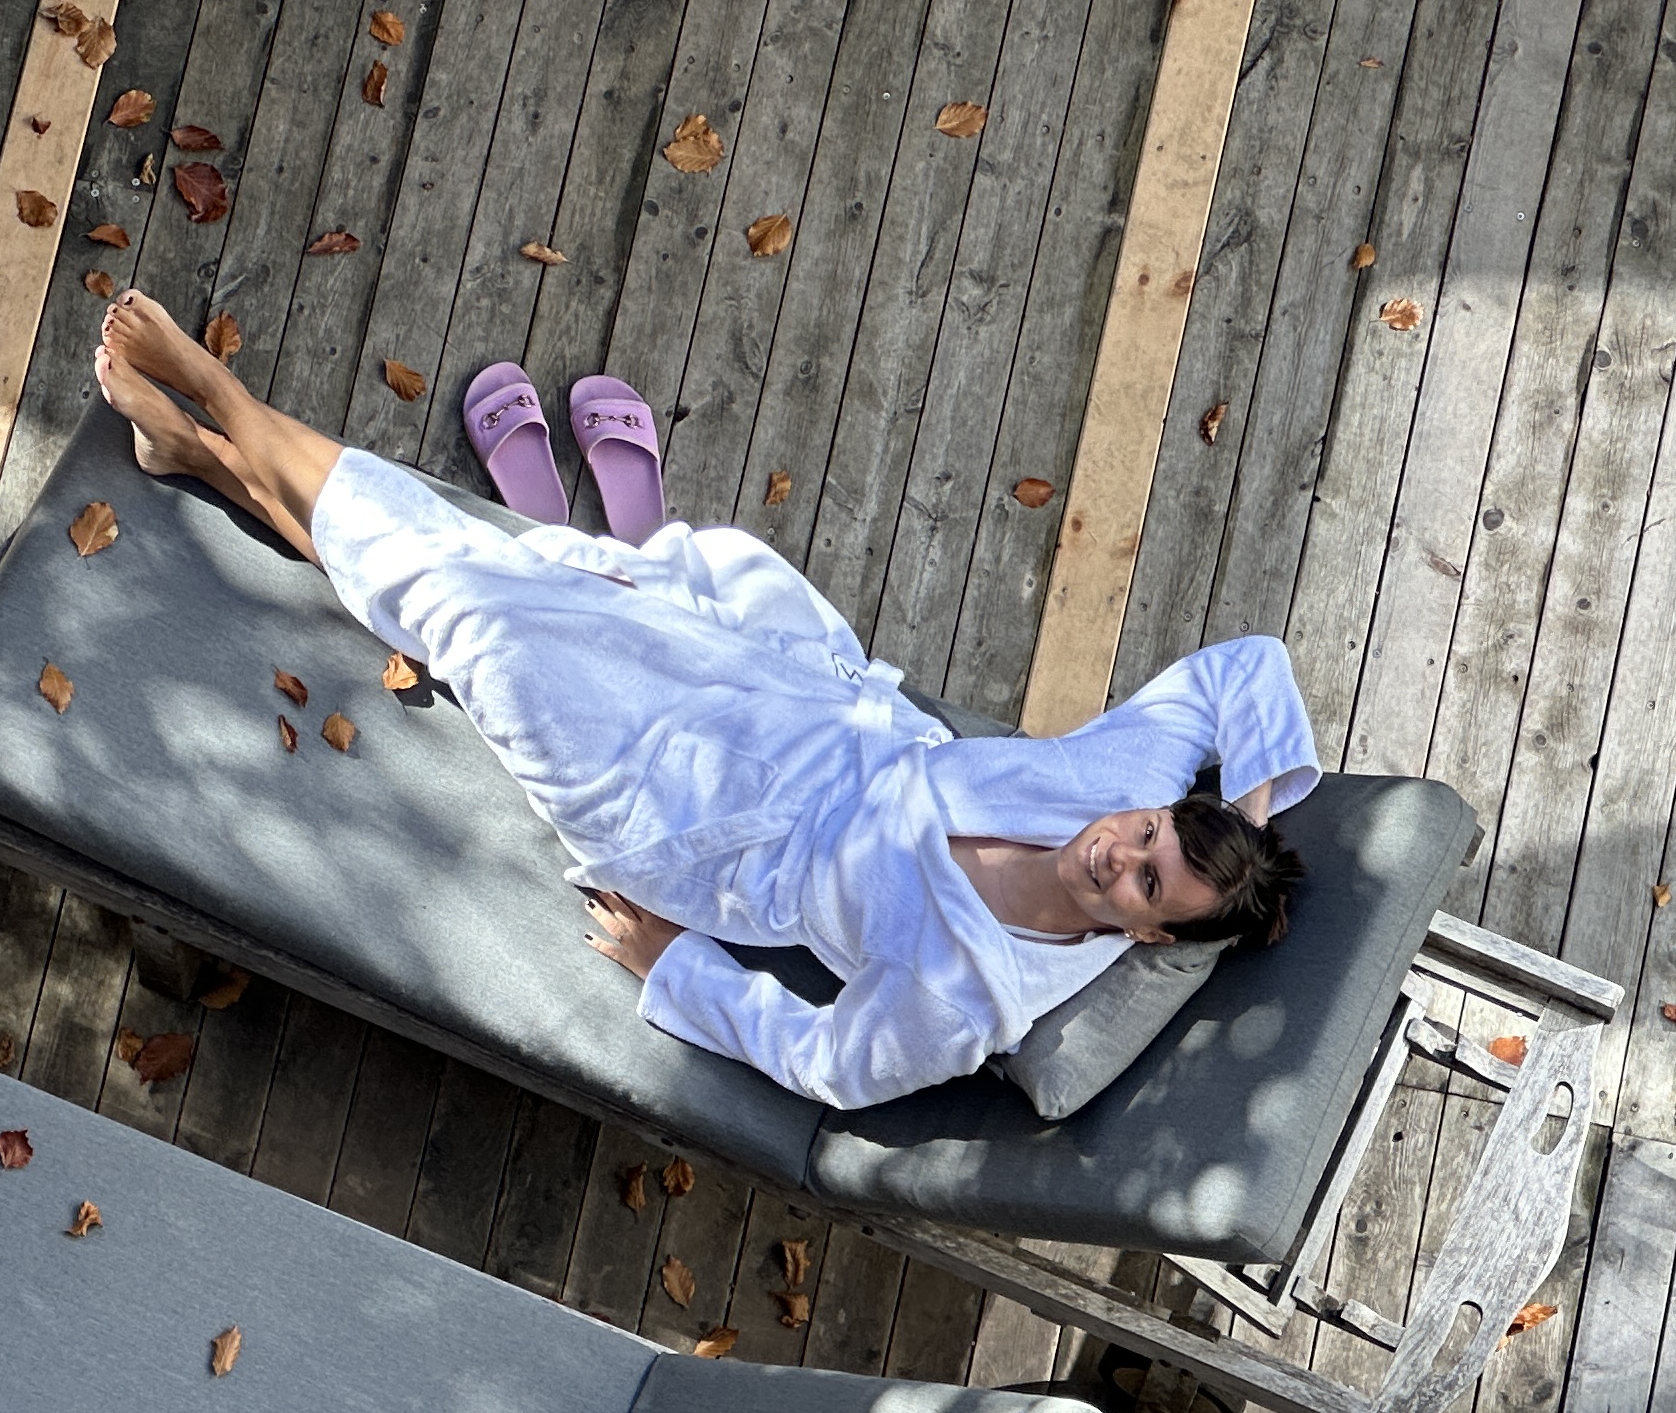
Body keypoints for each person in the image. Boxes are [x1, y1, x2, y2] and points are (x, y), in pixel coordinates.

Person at [88, 292, 1312, 1114]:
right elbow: (1245, 668)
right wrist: (1245, 820)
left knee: (487, 612)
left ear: (1148, 937)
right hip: (789, 701)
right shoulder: (1120, 790)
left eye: (1150, 884)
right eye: (1152, 835)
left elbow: (830, 1064)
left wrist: (684, 969)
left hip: (699, 824)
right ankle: (215, 438)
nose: (1123, 853)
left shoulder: (968, 1001)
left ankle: (224, 418)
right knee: (496, 585)